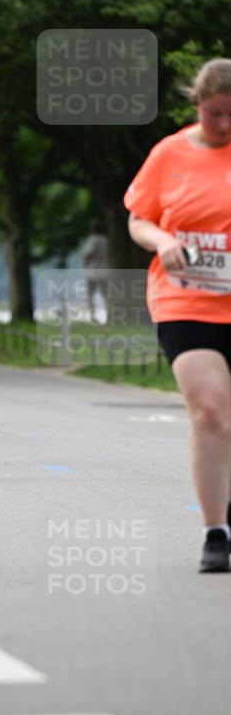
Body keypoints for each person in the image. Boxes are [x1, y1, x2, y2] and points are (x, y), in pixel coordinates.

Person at [125, 57, 231, 573]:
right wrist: (163, 240)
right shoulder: (169, 153)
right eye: (215, 113)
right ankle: (216, 533)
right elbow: (138, 220)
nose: (224, 124)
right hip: (184, 299)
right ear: (197, 104)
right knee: (210, 410)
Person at [81, 220, 109, 322]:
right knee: (105, 293)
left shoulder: (92, 240)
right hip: (105, 269)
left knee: (90, 294)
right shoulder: (106, 240)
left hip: (93, 270)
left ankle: (92, 315)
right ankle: (108, 313)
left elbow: (90, 253)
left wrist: (85, 263)